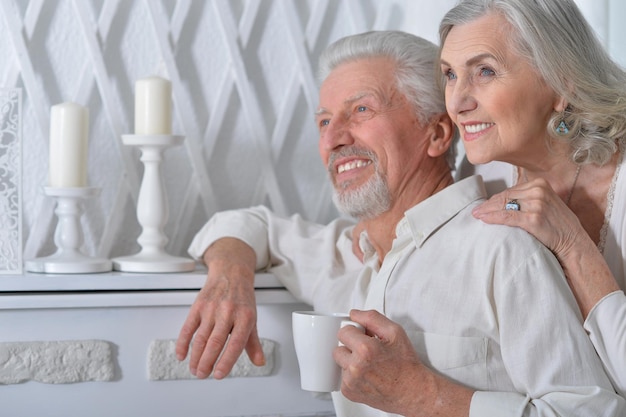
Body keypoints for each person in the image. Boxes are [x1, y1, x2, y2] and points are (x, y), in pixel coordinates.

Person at [177, 31, 624, 416]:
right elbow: (250, 224)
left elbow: (591, 410)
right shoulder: (348, 252)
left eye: (361, 111)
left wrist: (424, 396)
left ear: (437, 134)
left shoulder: (504, 249)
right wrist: (231, 273)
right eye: (324, 121)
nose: (333, 139)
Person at [438, 0, 626, 397]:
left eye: (484, 71)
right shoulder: (483, 174)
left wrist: (572, 245)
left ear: (562, 83)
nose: (457, 103)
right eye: (450, 75)